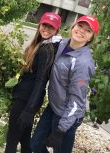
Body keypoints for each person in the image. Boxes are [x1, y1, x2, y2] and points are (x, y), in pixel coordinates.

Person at [30, 15, 100, 153]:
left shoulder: (82, 63)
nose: (81, 31)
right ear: (74, 26)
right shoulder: (62, 44)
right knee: (35, 144)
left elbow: (77, 101)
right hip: (55, 106)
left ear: (90, 38)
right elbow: (50, 40)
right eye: (80, 26)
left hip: (68, 115)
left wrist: (61, 130)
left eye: (88, 30)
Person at [5, 12, 62, 153]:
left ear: (57, 30)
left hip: (27, 100)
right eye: (45, 25)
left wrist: (29, 111)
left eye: (51, 27)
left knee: (11, 141)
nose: (47, 29)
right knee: (25, 140)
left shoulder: (47, 50)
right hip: (26, 97)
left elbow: (41, 82)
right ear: (39, 25)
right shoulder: (40, 45)